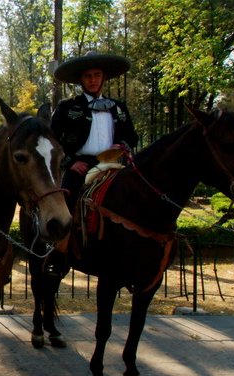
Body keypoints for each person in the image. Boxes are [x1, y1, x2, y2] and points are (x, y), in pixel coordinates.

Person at [44, 50, 139, 276]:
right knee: (67, 198)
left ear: (104, 77)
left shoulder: (118, 107)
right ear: (81, 80)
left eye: (97, 75)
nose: (93, 80)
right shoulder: (68, 107)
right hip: (80, 164)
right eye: (88, 76)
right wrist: (69, 162)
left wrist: (123, 146)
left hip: (113, 162)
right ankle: (60, 249)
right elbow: (52, 139)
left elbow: (131, 136)